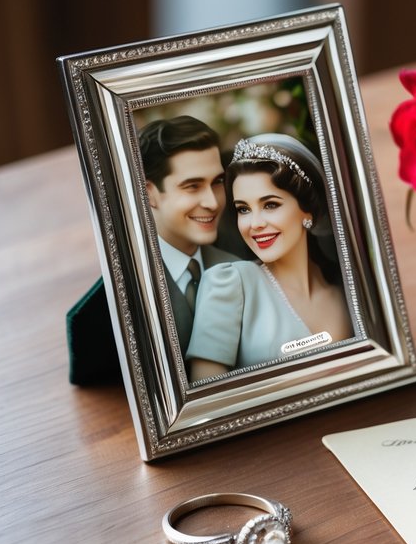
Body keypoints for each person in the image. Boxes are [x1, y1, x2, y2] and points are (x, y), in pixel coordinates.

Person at [186, 134, 353, 381]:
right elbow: (207, 402)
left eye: (270, 205)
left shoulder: (345, 294)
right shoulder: (229, 284)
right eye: (243, 209)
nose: (254, 224)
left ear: (307, 210)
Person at [139, 115, 239, 354]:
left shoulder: (238, 269)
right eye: (193, 186)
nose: (213, 202)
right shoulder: (130, 286)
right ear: (149, 194)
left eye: (217, 182)